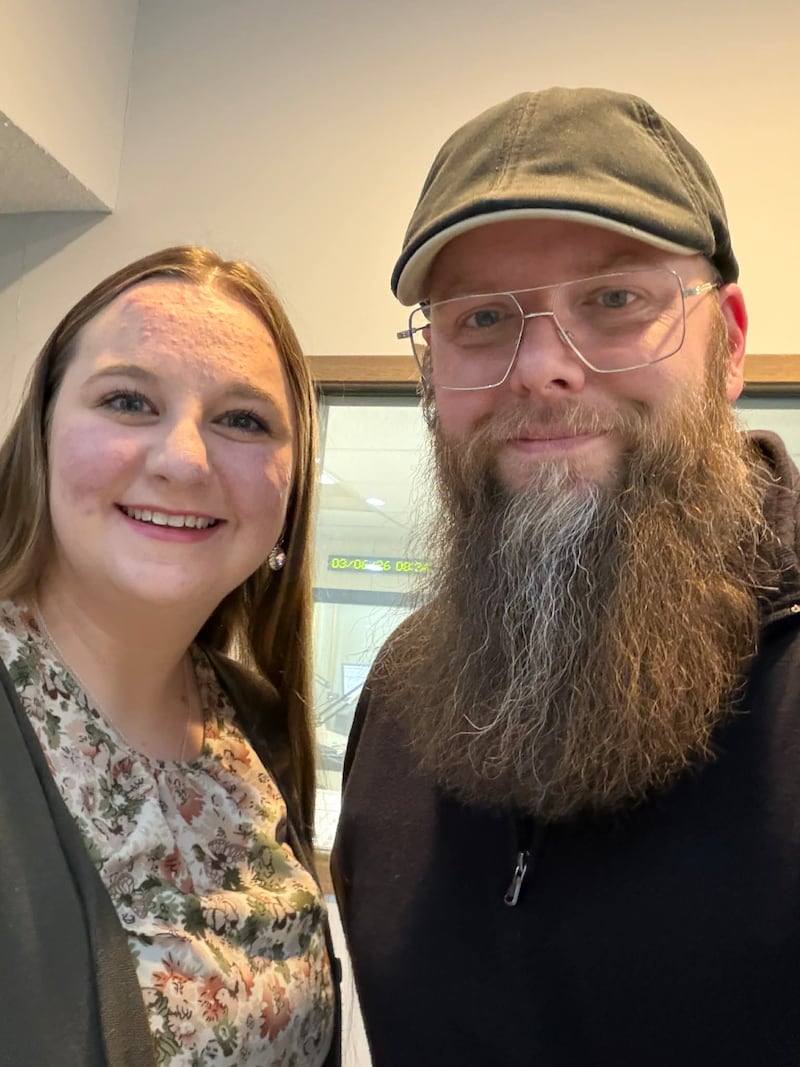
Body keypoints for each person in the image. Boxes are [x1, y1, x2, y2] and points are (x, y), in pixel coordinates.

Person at [332, 87, 800, 1066]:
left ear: (729, 342)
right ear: (431, 379)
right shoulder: (404, 690)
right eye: (481, 317)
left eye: (614, 299)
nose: (539, 367)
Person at [0, 246, 340, 1066]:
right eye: (127, 400)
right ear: (40, 434)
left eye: (243, 420)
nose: (184, 459)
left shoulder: (257, 726)